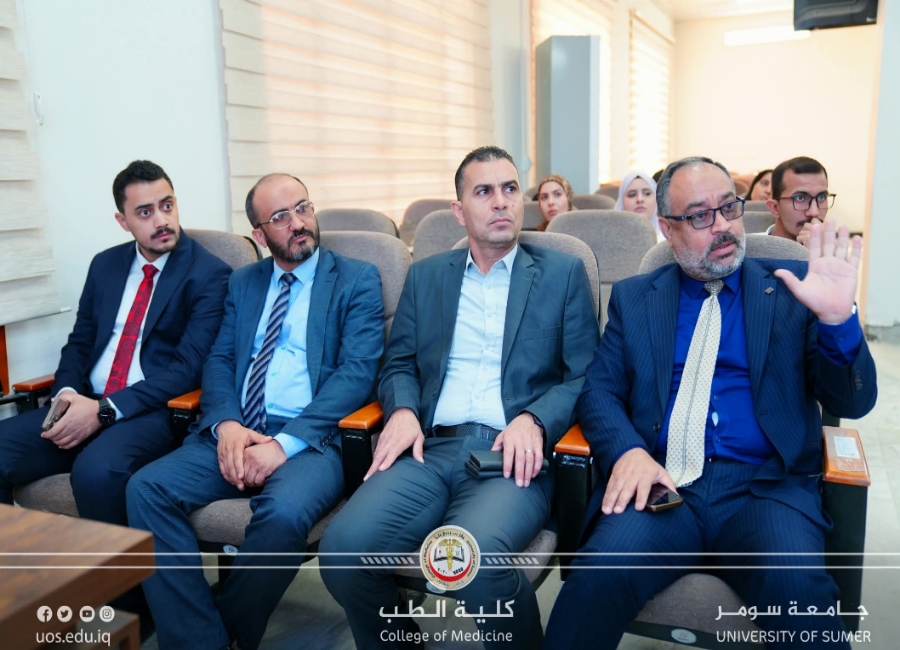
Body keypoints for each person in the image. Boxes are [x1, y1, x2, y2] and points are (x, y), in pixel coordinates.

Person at [544, 156, 876, 650]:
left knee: (803, 601)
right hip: (662, 484)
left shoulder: (793, 288)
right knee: (591, 585)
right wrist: (629, 452)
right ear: (667, 228)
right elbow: (599, 391)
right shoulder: (636, 298)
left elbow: (853, 399)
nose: (722, 225)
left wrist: (837, 322)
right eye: (700, 215)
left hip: (765, 490)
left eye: (729, 208)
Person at [319, 146, 600, 650]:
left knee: (471, 560)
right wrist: (403, 410)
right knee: (342, 551)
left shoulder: (562, 274)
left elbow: (586, 376)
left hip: (510, 456)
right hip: (429, 449)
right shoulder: (427, 276)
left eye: (510, 189)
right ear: (459, 210)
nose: (501, 202)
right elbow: (399, 363)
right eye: (484, 191)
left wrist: (535, 419)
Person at [126, 173, 385, 650]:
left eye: (303, 208)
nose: (298, 223)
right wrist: (226, 425)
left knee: (283, 516)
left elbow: (357, 374)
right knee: (146, 489)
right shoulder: (244, 282)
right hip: (240, 426)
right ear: (260, 235)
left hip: (313, 438)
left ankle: (226, 635)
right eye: (280, 217)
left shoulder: (356, 278)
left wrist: (283, 446)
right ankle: (202, 642)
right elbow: (220, 359)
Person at [0, 159, 231, 632]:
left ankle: (133, 608)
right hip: (86, 398)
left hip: (152, 411)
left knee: (97, 472)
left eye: (167, 205)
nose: (161, 219)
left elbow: (188, 367)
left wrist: (105, 411)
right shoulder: (105, 265)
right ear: (122, 221)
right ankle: (22, 593)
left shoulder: (209, 273)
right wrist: (67, 395)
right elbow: (79, 342)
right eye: (145, 212)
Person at [766, 156, 834, 246]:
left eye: (821, 197)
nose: (814, 212)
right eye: (800, 198)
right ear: (775, 208)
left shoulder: (837, 250)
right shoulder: (751, 250)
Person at [615, 171, 664, 242]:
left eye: (647, 193)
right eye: (632, 195)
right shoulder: (612, 238)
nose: (640, 199)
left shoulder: (668, 238)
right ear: (622, 202)